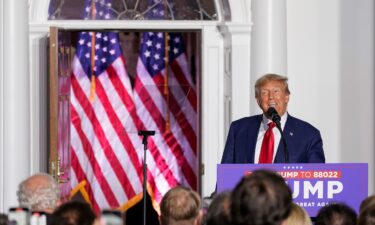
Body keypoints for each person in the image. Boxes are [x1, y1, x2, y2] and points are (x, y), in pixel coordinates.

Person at [221, 73, 325, 163]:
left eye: (276, 91)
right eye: (264, 92)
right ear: (258, 100)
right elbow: (225, 176)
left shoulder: (309, 135)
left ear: (286, 97)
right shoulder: (239, 129)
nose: (271, 97)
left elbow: (317, 178)